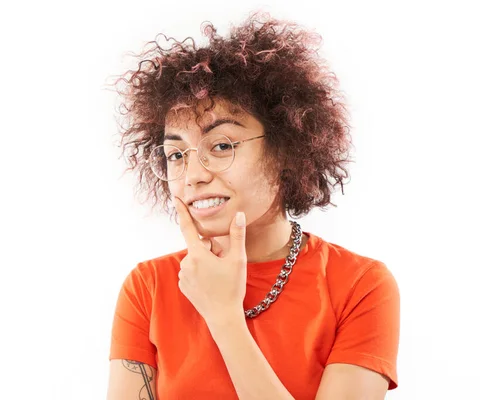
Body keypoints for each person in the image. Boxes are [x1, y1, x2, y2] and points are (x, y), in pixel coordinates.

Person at [107, 11, 400, 400]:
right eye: (176, 154)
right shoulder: (148, 288)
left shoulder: (358, 286)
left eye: (222, 145)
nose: (193, 174)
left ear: (285, 152)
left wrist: (224, 318)